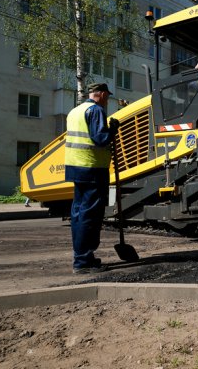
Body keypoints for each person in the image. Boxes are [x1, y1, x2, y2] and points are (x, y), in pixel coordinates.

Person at [65, 83, 120, 274]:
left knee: (78, 213)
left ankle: (82, 257)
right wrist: (113, 129)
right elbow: (100, 138)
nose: (107, 100)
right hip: (92, 169)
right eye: (107, 96)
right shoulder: (96, 110)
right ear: (102, 94)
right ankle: (83, 262)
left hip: (75, 168)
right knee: (90, 215)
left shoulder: (75, 111)